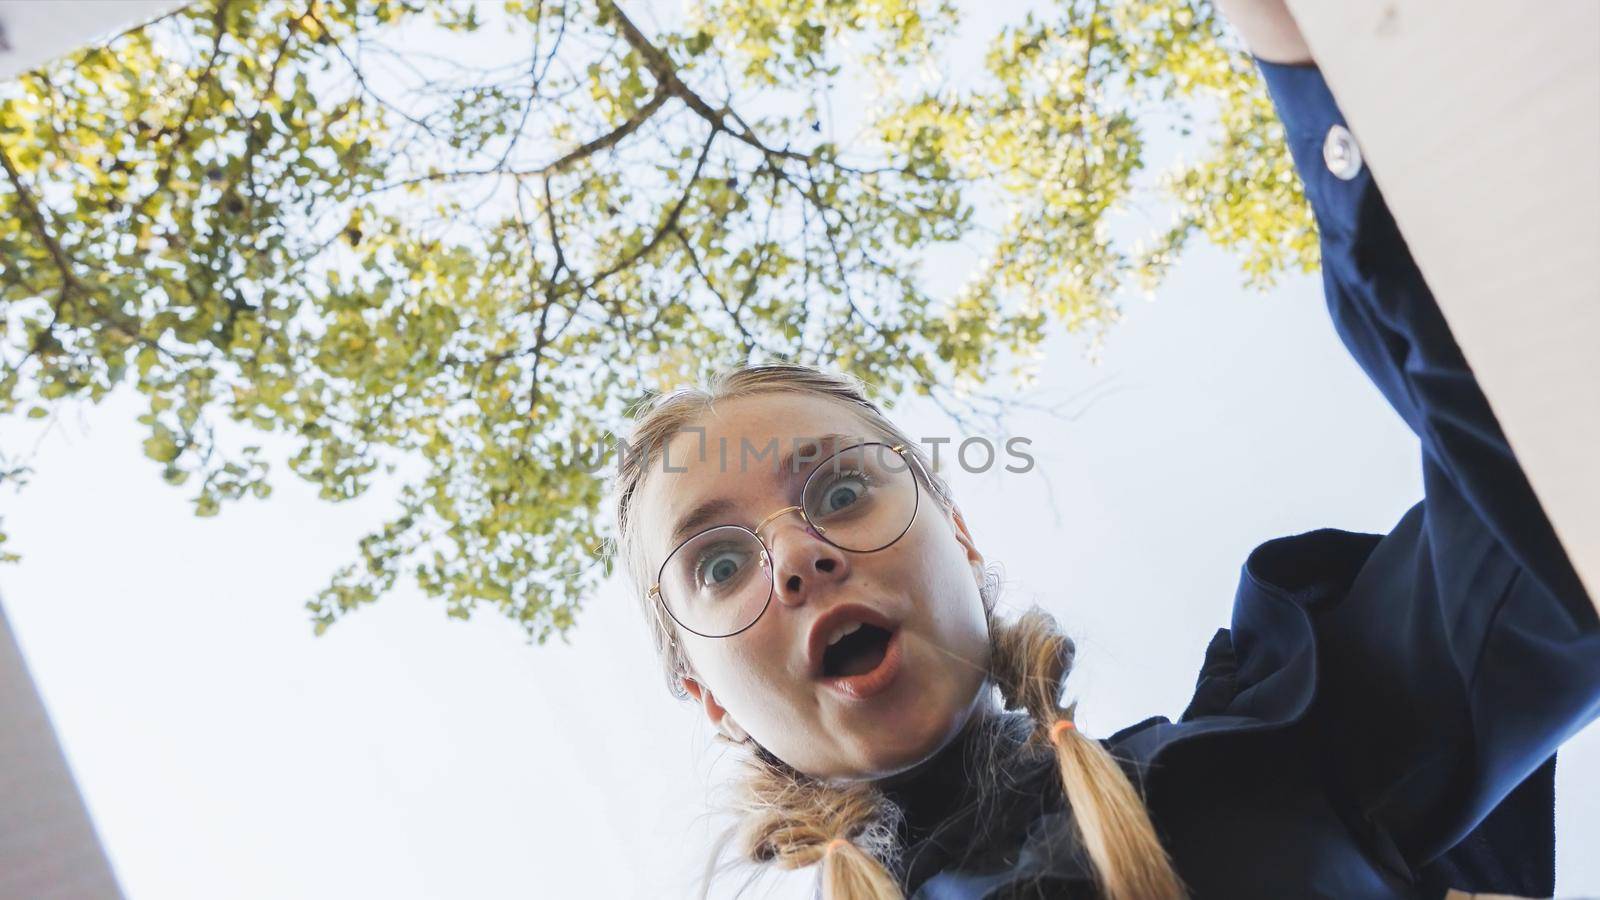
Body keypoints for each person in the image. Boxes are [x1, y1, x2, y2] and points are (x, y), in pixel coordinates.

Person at [607, 2, 1600, 897]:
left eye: (839, 492)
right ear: (708, 700)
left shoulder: (1274, 747)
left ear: (958, 536)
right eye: (721, 563)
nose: (795, 559)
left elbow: (1540, 485)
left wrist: (1315, 59)